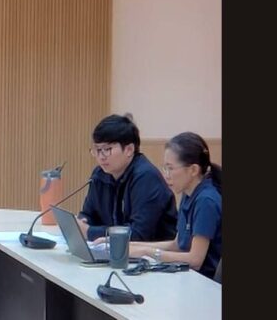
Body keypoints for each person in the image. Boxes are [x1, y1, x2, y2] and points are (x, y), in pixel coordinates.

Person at [118, 133, 222, 278]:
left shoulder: (206, 201)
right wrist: (131, 245)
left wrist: (146, 252)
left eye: (170, 168)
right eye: (164, 168)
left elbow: (195, 260)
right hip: (187, 276)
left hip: (205, 282)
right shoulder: (188, 193)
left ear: (193, 170)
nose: (166, 175)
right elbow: (178, 245)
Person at [77, 114, 178, 242]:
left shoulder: (146, 177)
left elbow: (139, 234)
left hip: (153, 252)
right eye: (97, 150)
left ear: (129, 150)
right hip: (115, 250)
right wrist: (82, 222)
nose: (101, 156)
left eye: (107, 149)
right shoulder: (99, 174)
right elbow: (89, 214)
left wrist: (89, 232)